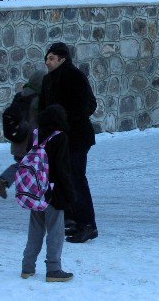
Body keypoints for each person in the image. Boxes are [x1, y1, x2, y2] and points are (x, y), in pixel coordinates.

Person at [39, 42, 98, 244]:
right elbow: (43, 110)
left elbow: (89, 104)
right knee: (64, 178)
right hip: (57, 140)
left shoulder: (74, 77)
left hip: (76, 137)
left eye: (51, 58)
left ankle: (88, 225)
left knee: (76, 178)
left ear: (62, 59)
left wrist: (65, 121)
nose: (47, 62)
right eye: (47, 58)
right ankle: (72, 220)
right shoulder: (48, 81)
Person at [21, 104, 77, 282]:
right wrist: (71, 194)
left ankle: (27, 267)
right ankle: (53, 269)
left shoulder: (35, 135)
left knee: (35, 230)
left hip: (35, 191)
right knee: (56, 232)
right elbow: (63, 170)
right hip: (54, 193)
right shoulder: (60, 137)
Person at [0, 70, 44, 198]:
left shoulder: (20, 96)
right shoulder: (38, 99)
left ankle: (11, 183)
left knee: (25, 164)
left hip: (18, 138)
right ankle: (8, 181)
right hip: (30, 140)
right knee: (31, 165)